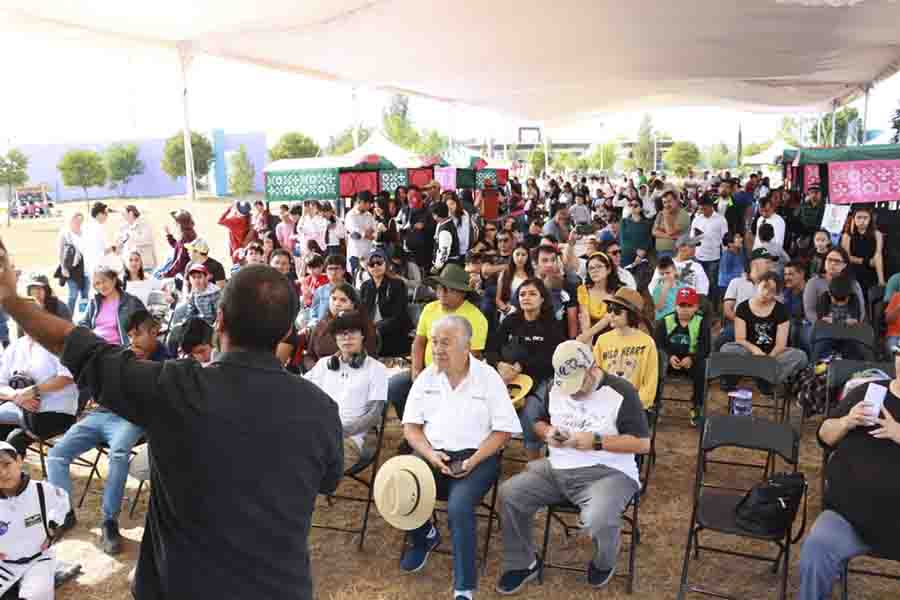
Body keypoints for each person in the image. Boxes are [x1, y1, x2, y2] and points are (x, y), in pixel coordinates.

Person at [0, 243, 344, 599]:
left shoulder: (174, 388)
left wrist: (11, 300)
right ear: (287, 332)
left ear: (220, 320)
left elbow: (80, 347)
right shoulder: (320, 409)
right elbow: (329, 481)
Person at [496, 340, 650, 594]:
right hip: (557, 468)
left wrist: (597, 441)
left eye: (578, 386)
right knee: (510, 494)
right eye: (568, 386)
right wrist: (548, 432)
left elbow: (643, 444)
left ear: (592, 369)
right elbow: (537, 421)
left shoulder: (621, 392)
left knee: (598, 517)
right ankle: (523, 563)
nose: (573, 393)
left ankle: (605, 561)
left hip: (609, 473)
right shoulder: (555, 387)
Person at [400, 315, 521, 600]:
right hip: (433, 456)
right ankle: (424, 537)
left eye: (446, 343)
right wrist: (430, 454)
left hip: (477, 458)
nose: (438, 349)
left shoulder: (488, 378)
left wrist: (474, 460)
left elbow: (503, 432)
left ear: (466, 346)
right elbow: (410, 428)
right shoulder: (427, 378)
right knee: (400, 484)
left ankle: (464, 586)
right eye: (434, 342)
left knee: (458, 507)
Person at [49, 306, 154, 556]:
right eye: (133, 334)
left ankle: (109, 521)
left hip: (127, 420)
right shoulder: (118, 355)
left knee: (118, 455)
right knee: (57, 454)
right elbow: (91, 382)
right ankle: (64, 512)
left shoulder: (162, 361)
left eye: (144, 334)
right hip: (97, 416)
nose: (136, 340)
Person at [798, 349, 900, 600]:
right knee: (818, 546)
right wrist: (846, 421)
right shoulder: (870, 391)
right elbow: (824, 435)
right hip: (850, 516)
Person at [387, 265, 488, 421]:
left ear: (461, 293)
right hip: (426, 369)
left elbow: (472, 356)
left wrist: (440, 378)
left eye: (448, 290)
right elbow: (419, 342)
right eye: (439, 289)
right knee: (395, 387)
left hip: (456, 376)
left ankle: (432, 431)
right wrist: (416, 371)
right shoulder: (429, 308)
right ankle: (413, 427)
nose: (441, 294)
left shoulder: (477, 318)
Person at [487, 278, 566, 460]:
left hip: (540, 382)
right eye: (522, 294)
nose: (526, 298)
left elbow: (554, 359)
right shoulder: (511, 321)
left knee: (530, 413)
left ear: (542, 299)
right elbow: (491, 348)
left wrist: (521, 365)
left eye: (532, 294)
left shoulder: (551, 325)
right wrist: (499, 364)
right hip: (508, 380)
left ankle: (533, 464)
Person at [304, 310, 388, 472]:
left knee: (310, 471)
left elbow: (373, 416)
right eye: (341, 334)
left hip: (348, 440)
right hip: (317, 435)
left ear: (362, 336)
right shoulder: (323, 365)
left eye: (352, 332)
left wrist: (338, 431)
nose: (347, 338)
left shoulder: (377, 369)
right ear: (335, 338)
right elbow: (301, 394)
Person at [0, 295, 78, 454]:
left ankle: (13, 477)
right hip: (19, 407)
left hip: (55, 412)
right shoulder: (15, 347)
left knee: (14, 439)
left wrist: (33, 391)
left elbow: (67, 378)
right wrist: (18, 397)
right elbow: (1, 383)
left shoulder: (57, 342)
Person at [0, 440, 70, 600]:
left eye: (6, 464)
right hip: (4, 563)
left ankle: (50, 574)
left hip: (38, 559)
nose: (3, 473)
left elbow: (63, 501)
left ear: (19, 460)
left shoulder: (41, 489)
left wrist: (53, 526)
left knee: (36, 595)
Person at [721, 272, 808, 384]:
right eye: (764, 287)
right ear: (758, 285)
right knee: (727, 349)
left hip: (773, 355)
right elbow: (740, 338)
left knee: (800, 356)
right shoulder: (743, 307)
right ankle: (764, 375)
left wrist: (768, 359)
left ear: (776, 294)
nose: (766, 293)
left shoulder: (781, 310)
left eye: (772, 291)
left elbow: (781, 344)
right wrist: (756, 350)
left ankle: (764, 377)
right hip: (750, 353)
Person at [592, 288, 659, 409]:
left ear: (631, 313)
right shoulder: (602, 340)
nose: (611, 314)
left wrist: (633, 405)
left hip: (635, 408)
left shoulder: (647, 343)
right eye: (609, 309)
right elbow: (595, 376)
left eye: (617, 311)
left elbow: (650, 384)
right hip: (604, 407)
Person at [654, 287, 710, 426]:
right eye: (681, 305)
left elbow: (706, 347)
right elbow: (657, 344)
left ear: (696, 307)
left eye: (689, 306)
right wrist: (669, 356)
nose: (684, 309)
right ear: (675, 306)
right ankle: (654, 404)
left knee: (702, 368)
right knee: (656, 363)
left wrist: (692, 358)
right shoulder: (665, 321)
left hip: (691, 362)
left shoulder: (702, 322)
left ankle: (697, 406)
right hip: (669, 361)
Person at [304, 283, 376, 370]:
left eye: (343, 300)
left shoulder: (363, 325)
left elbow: (369, 358)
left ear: (353, 304)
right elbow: (309, 356)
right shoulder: (321, 324)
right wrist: (315, 370)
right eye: (334, 299)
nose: (337, 303)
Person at [359, 248, 412, 357]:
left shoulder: (397, 284)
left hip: (393, 330)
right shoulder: (365, 286)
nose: (375, 266)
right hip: (371, 332)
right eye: (371, 264)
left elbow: (399, 314)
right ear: (367, 267)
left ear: (386, 264)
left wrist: (376, 327)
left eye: (379, 263)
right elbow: (362, 311)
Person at [810, 273, 867, 361]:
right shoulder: (824, 298)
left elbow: (855, 320)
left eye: (843, 300)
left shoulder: (854, 299)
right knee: (820, 346)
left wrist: (835, 321)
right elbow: (822, 321)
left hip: (848, 334)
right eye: (836, 300)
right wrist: (843, 322)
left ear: (849, 295)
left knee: (856, 348)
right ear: (829, 294)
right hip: (828, 334)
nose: (840, 304)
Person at [803, 246, 866, 326]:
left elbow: (861, 311)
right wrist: (821, 324)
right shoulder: (813, 282)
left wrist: (851, 325)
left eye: (837, 261)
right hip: (820, 326)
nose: (832, 263)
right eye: (829, 260)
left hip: (849, 328)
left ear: (844, 265)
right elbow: (809, 311)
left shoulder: (853, 283)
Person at [575, 252, 622, 344]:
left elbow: (608, 318)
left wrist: (586, 335)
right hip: (589, 335)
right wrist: (588, 342)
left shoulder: (618, 292)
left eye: (599, 266)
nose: (594, 270)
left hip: (613, 337)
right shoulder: (583, 290)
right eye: (591, 268)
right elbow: (585, 318)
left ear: (608, 269)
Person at [691, 194, 728, 306]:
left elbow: (725, 239)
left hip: (713, 258)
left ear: (711, 206)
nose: (702, 211)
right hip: (698, 257)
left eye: (705, 208)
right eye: (701, 208)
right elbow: (692, 238)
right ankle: (701, 307)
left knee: (712, 285)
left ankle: (713, 308)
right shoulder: (697, 219)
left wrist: (725, 255)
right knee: (699, 284)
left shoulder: (720, 219)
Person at [648, 234, 710, 298]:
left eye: (695, 246)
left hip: (686, 304)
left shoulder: (697, 267)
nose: (694, 249)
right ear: (681, 247)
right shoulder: (664, 263)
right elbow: (653, 285)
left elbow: (702, 290)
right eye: (691, 246)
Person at [841, 206, 885, 292]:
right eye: (859, 217)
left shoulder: (877, 234)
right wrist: (866, 261)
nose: (862, 221)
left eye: (865, 218)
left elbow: (878, 255)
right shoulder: (847, 235)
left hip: (871, 271)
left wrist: (881, 280)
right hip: (853, 271)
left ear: (870, 219)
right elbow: (846, 257)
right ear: (854, 219)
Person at [58, 212, 88, 314]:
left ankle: (83, 318)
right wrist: (63, 268)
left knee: (85, 294)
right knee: (73, 294)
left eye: (81, 221)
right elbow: (60, 252)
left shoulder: (85, 232)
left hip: (85, 268)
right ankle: (68, 317)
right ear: (71, 220)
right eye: (76, 220)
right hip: (71, 269)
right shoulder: (65, 233)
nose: (78, 223)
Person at [495, 243, 534, 317]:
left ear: (528, 256)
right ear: (512, 255)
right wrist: (507, 310)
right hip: (509, 313)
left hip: (528, 313)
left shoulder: (532, 275)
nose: (520, 258)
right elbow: (498, 299)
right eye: (517, 254)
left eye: (523, 255)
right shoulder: (504, 274)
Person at [345, 191, 377, 276]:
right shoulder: (350, 216)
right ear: (362, 202)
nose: (370, 206)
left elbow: (375, 232)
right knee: (356, 280)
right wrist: (365, 233)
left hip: (368, 253)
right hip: (355, 254)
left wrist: (363, 233)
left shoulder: (369, 215)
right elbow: (356, 235)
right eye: (369, 204)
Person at [116, 205, 157, 271]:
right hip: (128, 266)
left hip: (145, 266)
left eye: (124, 214)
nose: (122, 216)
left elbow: (146, 240)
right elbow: (119, 245)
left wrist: (129, 236)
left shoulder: (144, 224)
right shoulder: (123, 227)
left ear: (131, 213)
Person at [159, 210, 197, 280]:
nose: (173, 224)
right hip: (185, 274)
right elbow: (176, 246)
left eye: (174, 222)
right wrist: (168, 235)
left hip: (186, 277)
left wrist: (166, 274)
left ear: (179, 224)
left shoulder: (186, 238)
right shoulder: (187, 234)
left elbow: (179, 262)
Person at [652, 190, 690, 258]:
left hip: (673, 251)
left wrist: (666, 216)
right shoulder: (661, 213)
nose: (666, 205)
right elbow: (654, 232)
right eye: (664, 202)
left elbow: (670, 231)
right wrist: (672, 237)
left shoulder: (683, 215)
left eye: (669, 201)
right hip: (659, 251)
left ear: (676, 201)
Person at [80, 202, 111, 277]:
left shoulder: (85, 226)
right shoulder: (99, 228)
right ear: (99, 214)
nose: (107, 216)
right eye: (106, 214)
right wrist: (113, 248)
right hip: (97, 267)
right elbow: (101, 251)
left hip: (88, 267)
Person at [620, 197, 652, 267]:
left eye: (635, 205)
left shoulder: (647, 223)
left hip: (642, 256)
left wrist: (641, 254)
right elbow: (623, 240)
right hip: (626, 255)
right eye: (631, 205)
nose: (633, 207)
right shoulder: (624, 221)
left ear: (640, 208)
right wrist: (636, 251)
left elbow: (648, 240)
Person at [432, 202, 461, 272]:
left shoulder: (445, 231)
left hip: (447, 266)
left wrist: (437, 266)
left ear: (436, 215)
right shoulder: (445, 223)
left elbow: (444, 251)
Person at [718, 231, 746, 300]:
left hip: (738, 284)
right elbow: (724, 277)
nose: (741, 239)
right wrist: (741, 275)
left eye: (740, 237)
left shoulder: (741, 251)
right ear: (730, 244)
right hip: (726, 287)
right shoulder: (726, 256)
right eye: (737, 238)